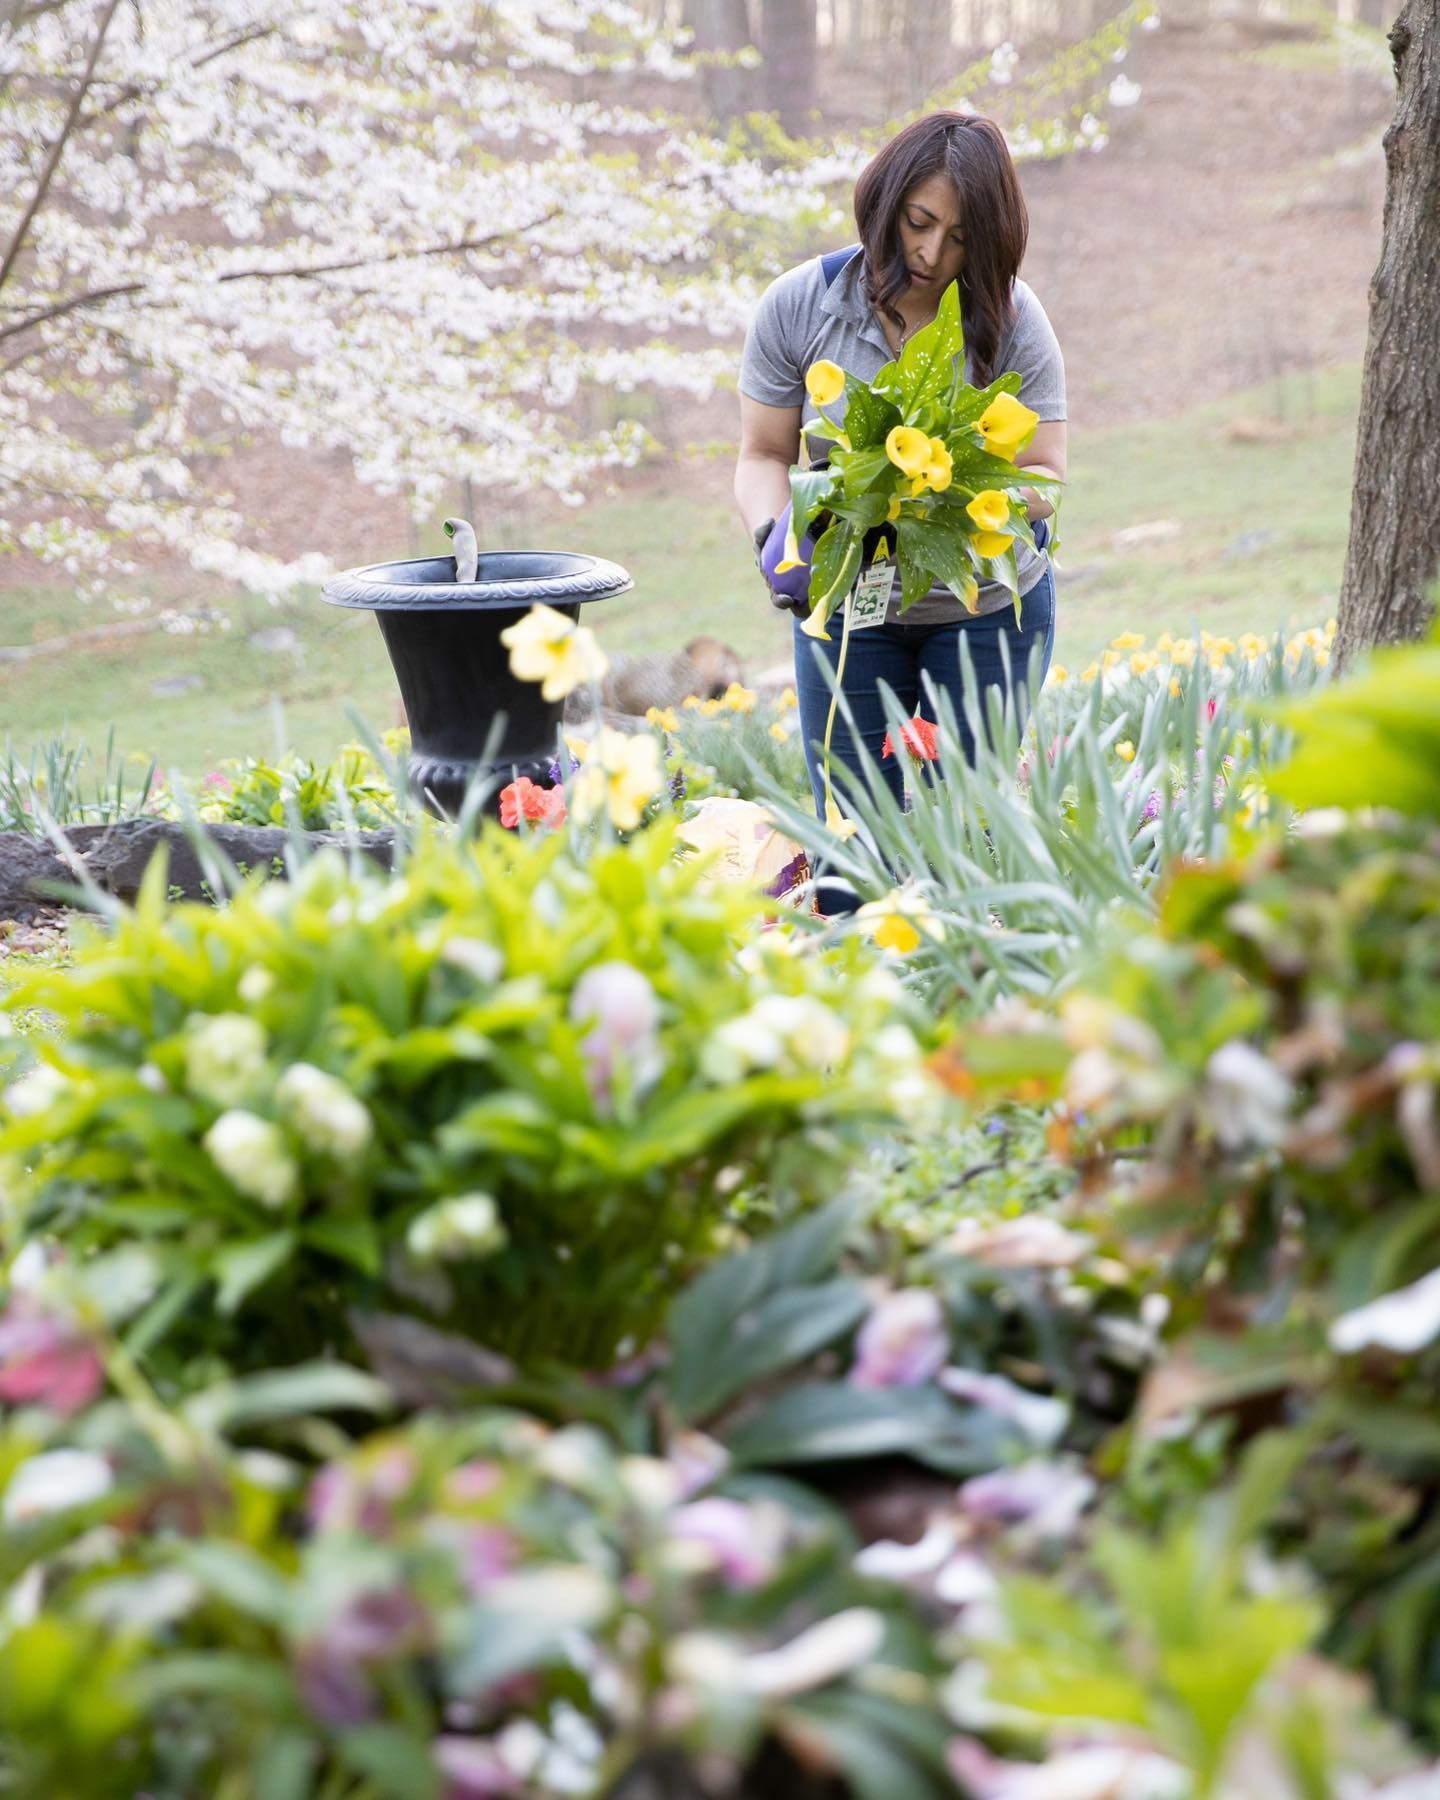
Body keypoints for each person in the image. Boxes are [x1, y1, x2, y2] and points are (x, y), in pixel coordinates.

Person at [734, 111, 1067, 838]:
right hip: (850, 610)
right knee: (852, 834)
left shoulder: (1012, 318)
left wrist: (948, 495)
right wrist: (777, 537)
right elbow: (763, 452)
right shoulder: (799, 304)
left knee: (967, 831)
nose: (930, 252)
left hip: (986, 611)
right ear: (886, 201)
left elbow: (1045, 472)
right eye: (919, 221)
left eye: (960, 239)